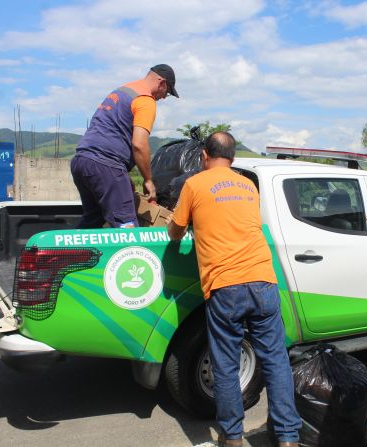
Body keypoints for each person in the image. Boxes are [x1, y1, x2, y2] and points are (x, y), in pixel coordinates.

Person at [167, 132, 301, 447]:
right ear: (233, 158)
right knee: (275, 359)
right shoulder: (248, 185)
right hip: (263, 280)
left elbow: (175, 231)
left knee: (225, 363)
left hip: (226, 286)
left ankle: (232, 437)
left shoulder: (194, 184)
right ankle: (288, 437)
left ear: (204, 156)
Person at [71, 64, 179, 228]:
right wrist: (148, 180)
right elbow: (139, 144)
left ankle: (66, 254)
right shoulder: (145, 99)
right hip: (105, 163)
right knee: (127, 226)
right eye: (168, 92)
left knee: (93, 221)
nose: (164, 97)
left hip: (81, 160)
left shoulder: (122, 91)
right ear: (162, 83)